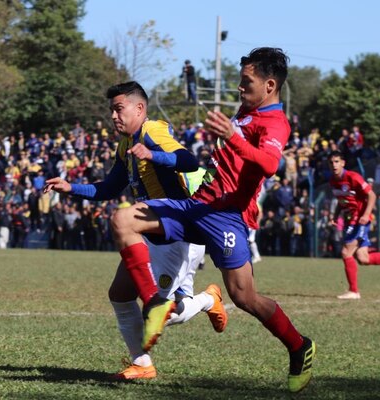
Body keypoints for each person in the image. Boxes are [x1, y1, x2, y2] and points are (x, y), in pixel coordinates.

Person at [110, 48, 315, 393]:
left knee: (245, 297)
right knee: (124, 220)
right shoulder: (248, 110)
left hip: (227, 217)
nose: (239, 87)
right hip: (196, 205)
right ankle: (157, 303)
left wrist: (231, 138)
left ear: (269, 85)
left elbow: (268, 164)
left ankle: (299, 346)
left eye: (245, 81)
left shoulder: (275, 122)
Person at [43, 81, 227, 380]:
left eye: (119, 109)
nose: (114, 116)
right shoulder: (125, 145)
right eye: (112, 111)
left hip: (176, 231)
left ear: (139, 108)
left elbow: (188, 161)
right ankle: (142, 364)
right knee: (120, 294)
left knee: (165, 313)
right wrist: (70, 188)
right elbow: (110, 188)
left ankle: (208, 300)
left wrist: (154, 156)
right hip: (149, 230)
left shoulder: (152, 131)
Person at [328, 151, 380, 299]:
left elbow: (372, 195)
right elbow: (341, 200)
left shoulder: (353, 177)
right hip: (351, 219)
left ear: (343, 163)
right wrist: (336, 216)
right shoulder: (333, 181)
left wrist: (365, 214)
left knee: (346, 252)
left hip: (359, 219)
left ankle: (354, 291)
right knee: (363, 258)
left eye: (337, 161)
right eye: (331, 162)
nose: (334, 165)